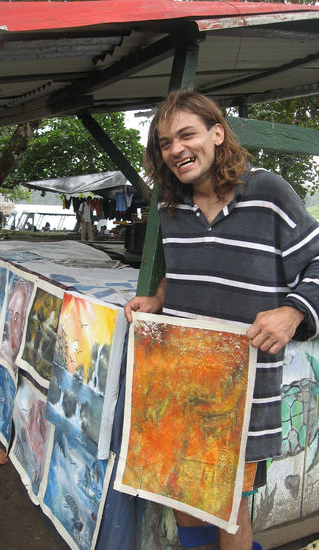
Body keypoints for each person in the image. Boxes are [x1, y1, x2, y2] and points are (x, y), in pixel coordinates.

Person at [124, 89, 319, 550]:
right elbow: (186, 268)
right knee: (182, 493)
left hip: (243, 387)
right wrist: (158, 298)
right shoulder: (172, 207)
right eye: (165, 142)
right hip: (180, 379)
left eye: (186, 135)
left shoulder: (267, 194)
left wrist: (293, 311)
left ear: (217, 134)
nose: (175, 149)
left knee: (229, 508)